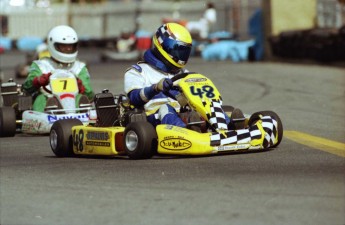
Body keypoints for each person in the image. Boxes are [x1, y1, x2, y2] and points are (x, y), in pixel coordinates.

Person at [124, 22, 233, 129]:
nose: (181, 55)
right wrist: (155, 88)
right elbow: (134, 98)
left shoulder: (183, 73)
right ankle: (185, 132)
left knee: (207, 106)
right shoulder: (138, 71)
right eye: (177, 50)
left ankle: (230, 126)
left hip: (182, 112)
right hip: (153, 118)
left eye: (184, 51)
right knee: (165, 108)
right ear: (163, 44)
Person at [22, 25, 94, 112]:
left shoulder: (79, 67)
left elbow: (90, 96)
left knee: (80, 98)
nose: (68, 49)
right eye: (63, 46)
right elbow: (26, 88)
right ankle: (46, 114)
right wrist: (38, 80)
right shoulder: (41, 65)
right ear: (53, 45)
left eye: (70, 46)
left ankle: (82, 116)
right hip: (48, 98)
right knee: (41, 98)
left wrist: (81, 86)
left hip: (72, 101)